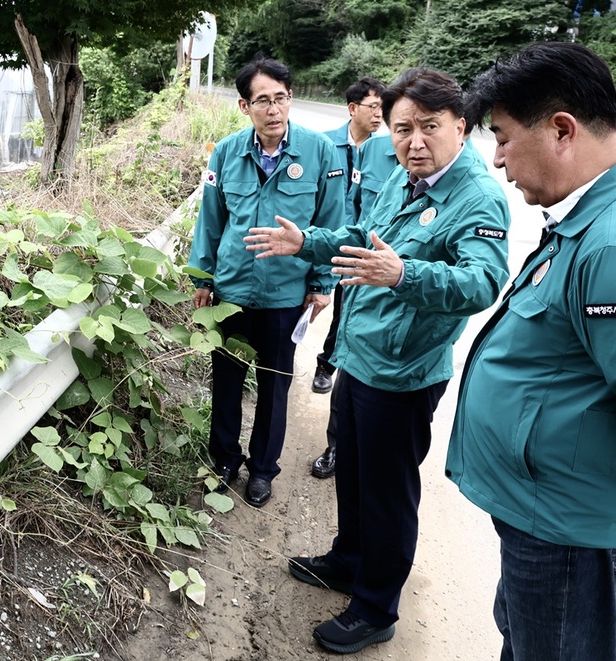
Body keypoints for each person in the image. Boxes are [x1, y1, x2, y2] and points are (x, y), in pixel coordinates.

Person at [244, 67, 511, 654]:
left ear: (461, 126)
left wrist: (405, 273)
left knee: (389, 492)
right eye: (402, 128)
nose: (415, 142)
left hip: (405, 373)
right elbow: (366, 234)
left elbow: (482, 281)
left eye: (429, 128)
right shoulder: (402, 177)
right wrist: (309, 241)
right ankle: (348, 561)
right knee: (356, 473)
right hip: (360, 355)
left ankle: (375, 607)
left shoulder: (477, 197)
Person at [446, 42, 616, 661]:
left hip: (569, 530)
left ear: (562, 130)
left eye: (504, 138)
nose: (496, 160)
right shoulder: (584, 220)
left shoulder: (609, 245)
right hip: (544, 515)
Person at [188, 56, 345, 508]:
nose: (273, 109)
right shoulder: (226, 152)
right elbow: (210, 220)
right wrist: (203, 278)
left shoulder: (319, 152)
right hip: (233, 291)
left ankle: (262, 470)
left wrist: (321, 283)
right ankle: (223, 461)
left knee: (275, 386)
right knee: (226, 380)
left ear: (290, 99)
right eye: (262, 101)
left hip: (284, 294)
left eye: (281, 98)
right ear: (244, 106)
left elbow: (330, 222)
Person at [311, 77, 386, 398]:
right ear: (353, 108)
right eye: (373, 107)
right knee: (303, 307)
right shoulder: (324, 145)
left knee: (346, 313)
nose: (379, 114)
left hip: (355, 252)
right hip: (319, 244)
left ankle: (326, 366)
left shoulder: (386, 152)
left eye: (384, 108)